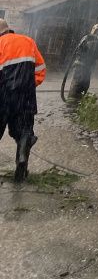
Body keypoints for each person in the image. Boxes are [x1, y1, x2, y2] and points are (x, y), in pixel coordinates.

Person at [0, 17, 46, 182]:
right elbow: (41, 68)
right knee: (24, 131)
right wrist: (28, 85)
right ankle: (21, 160)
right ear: (8, 29)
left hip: (3, 95)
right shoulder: (28, 41)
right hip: (26, 96)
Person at [67, 22, 98, 102]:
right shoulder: (87, 38)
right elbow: (90, 47)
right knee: (77, 86)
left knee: (85, 87)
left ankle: (78, 104)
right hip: (80, 68)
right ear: (94, 31)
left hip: (88, 69)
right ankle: (71, 105)